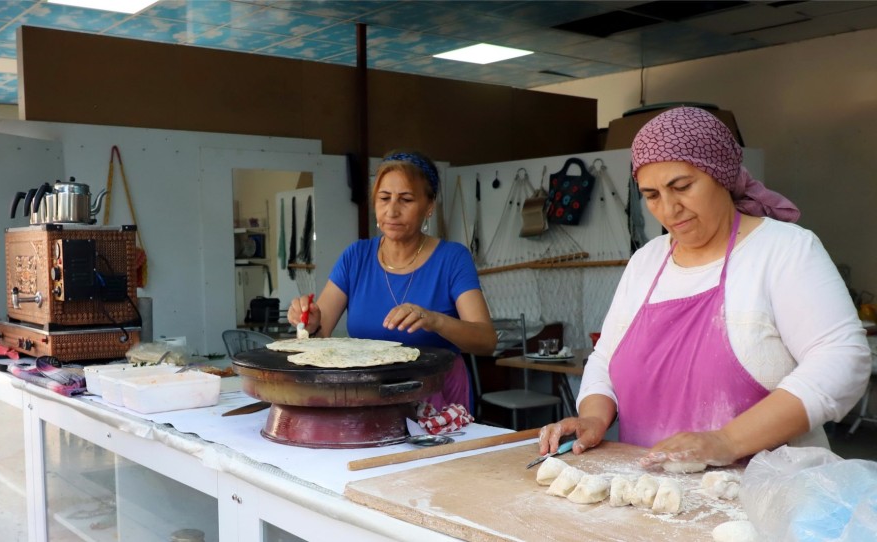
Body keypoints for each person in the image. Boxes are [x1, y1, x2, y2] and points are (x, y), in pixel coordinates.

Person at [539, 107, 870, 468]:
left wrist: (726, 440)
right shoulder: (647, 262)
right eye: (651, 195)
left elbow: (841, 360)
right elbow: (605, 358)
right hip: (649, 496)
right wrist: (594, 417)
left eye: (681, 187)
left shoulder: (784, 250)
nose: (669, 210)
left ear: (722, 176)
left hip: (769, 500)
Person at [287, 150, 498, 410]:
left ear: (429, 206)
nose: (392, 210)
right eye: (384, 198)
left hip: (436, 397)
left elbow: (487, 341)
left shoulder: (452, 259)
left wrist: (435, 320)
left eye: (406, 199)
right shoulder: (356, 257)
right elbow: (319, 341)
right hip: (369, 396)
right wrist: (310, 324)